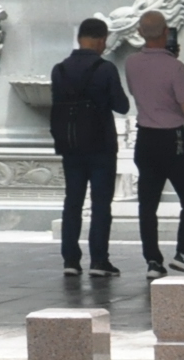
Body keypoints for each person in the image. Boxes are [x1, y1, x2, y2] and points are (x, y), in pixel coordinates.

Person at [126, 10, 184, 279]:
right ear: (165, 33)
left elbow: (137, 93)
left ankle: (153, 260)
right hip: (173, 139)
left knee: (148, 204)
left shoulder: (131, 64)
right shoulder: (175, 67)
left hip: (145, 139)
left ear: (140, 32)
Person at [51, 17, 129, 277]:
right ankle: (99, 260)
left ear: (79, 38)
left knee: (72, 201)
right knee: (100, 204)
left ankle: (70, 260)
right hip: (100, 145)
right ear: (101, 40)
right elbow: (122, 106)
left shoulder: (59, 70)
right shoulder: (105, 69)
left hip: (70, 145)